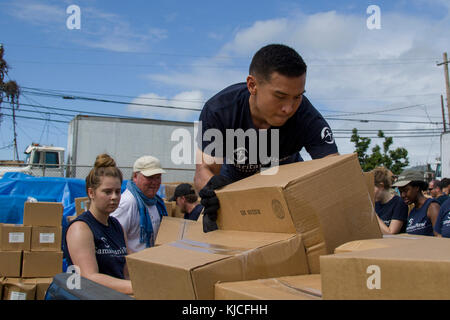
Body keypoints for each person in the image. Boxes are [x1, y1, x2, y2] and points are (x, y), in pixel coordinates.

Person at [195, 44, 339, 232]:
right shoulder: (218, 111)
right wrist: (212, 193)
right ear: (252, 85)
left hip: (285, 178)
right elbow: (203, 172)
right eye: (280, 96)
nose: (289, 108)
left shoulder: (306, 116)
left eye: (297, 97)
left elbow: (335, 171)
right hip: (235, 179)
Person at [63, 154, 132, 295]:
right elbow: (89, 277)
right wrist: (135, 287)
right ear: (91, 193)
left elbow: (125, 272)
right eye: (107, 192)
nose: (114, 197)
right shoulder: (81, 228)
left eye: (118, 191)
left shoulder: (117, 226)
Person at [110, 155, 168, 252]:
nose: (155, 182)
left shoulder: (156, 202)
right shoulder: (127, 203)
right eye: (150, 177)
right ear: (135, 176)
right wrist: (133, 261)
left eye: (158, 177)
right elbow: (114, 240)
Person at [393, 169, 440, 236]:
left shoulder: (432, 207)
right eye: (400, 192)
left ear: (417, 187)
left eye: (406, 190)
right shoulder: (413, 211)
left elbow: (439, 237)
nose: (403, 195)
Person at [372, 167, 408, 234]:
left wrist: (373, 214)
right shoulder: (375, 204)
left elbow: (391, 233)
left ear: (381, 186)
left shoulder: (399, 203)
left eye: (372, 188)